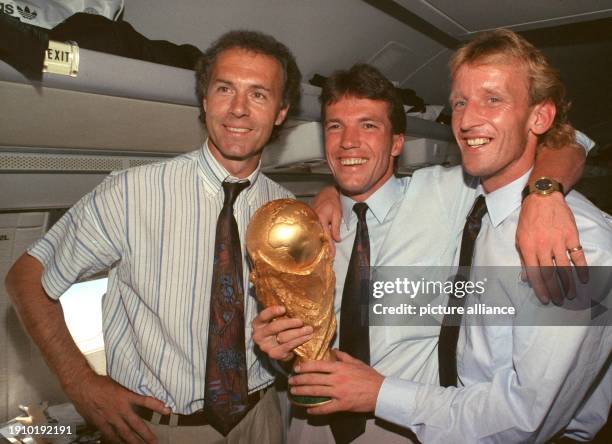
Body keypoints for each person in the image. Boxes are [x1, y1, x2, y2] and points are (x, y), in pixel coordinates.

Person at [288, 30, 611, 442]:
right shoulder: (482, 208)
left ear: (539, 117)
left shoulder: (578, 242)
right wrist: (330, 192)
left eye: (493, 99)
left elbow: (526, 419)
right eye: (460, 102)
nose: (467, 118)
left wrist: (545, 192)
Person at [5, 30, 301, 444]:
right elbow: (26, 279)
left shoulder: (289, 212)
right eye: (224, 89)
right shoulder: (131, 192)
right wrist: (80, 384)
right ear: (204, 100)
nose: (238, 109)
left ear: (281, 112)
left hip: (261, 420)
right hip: (159, 430)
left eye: (258, 95)